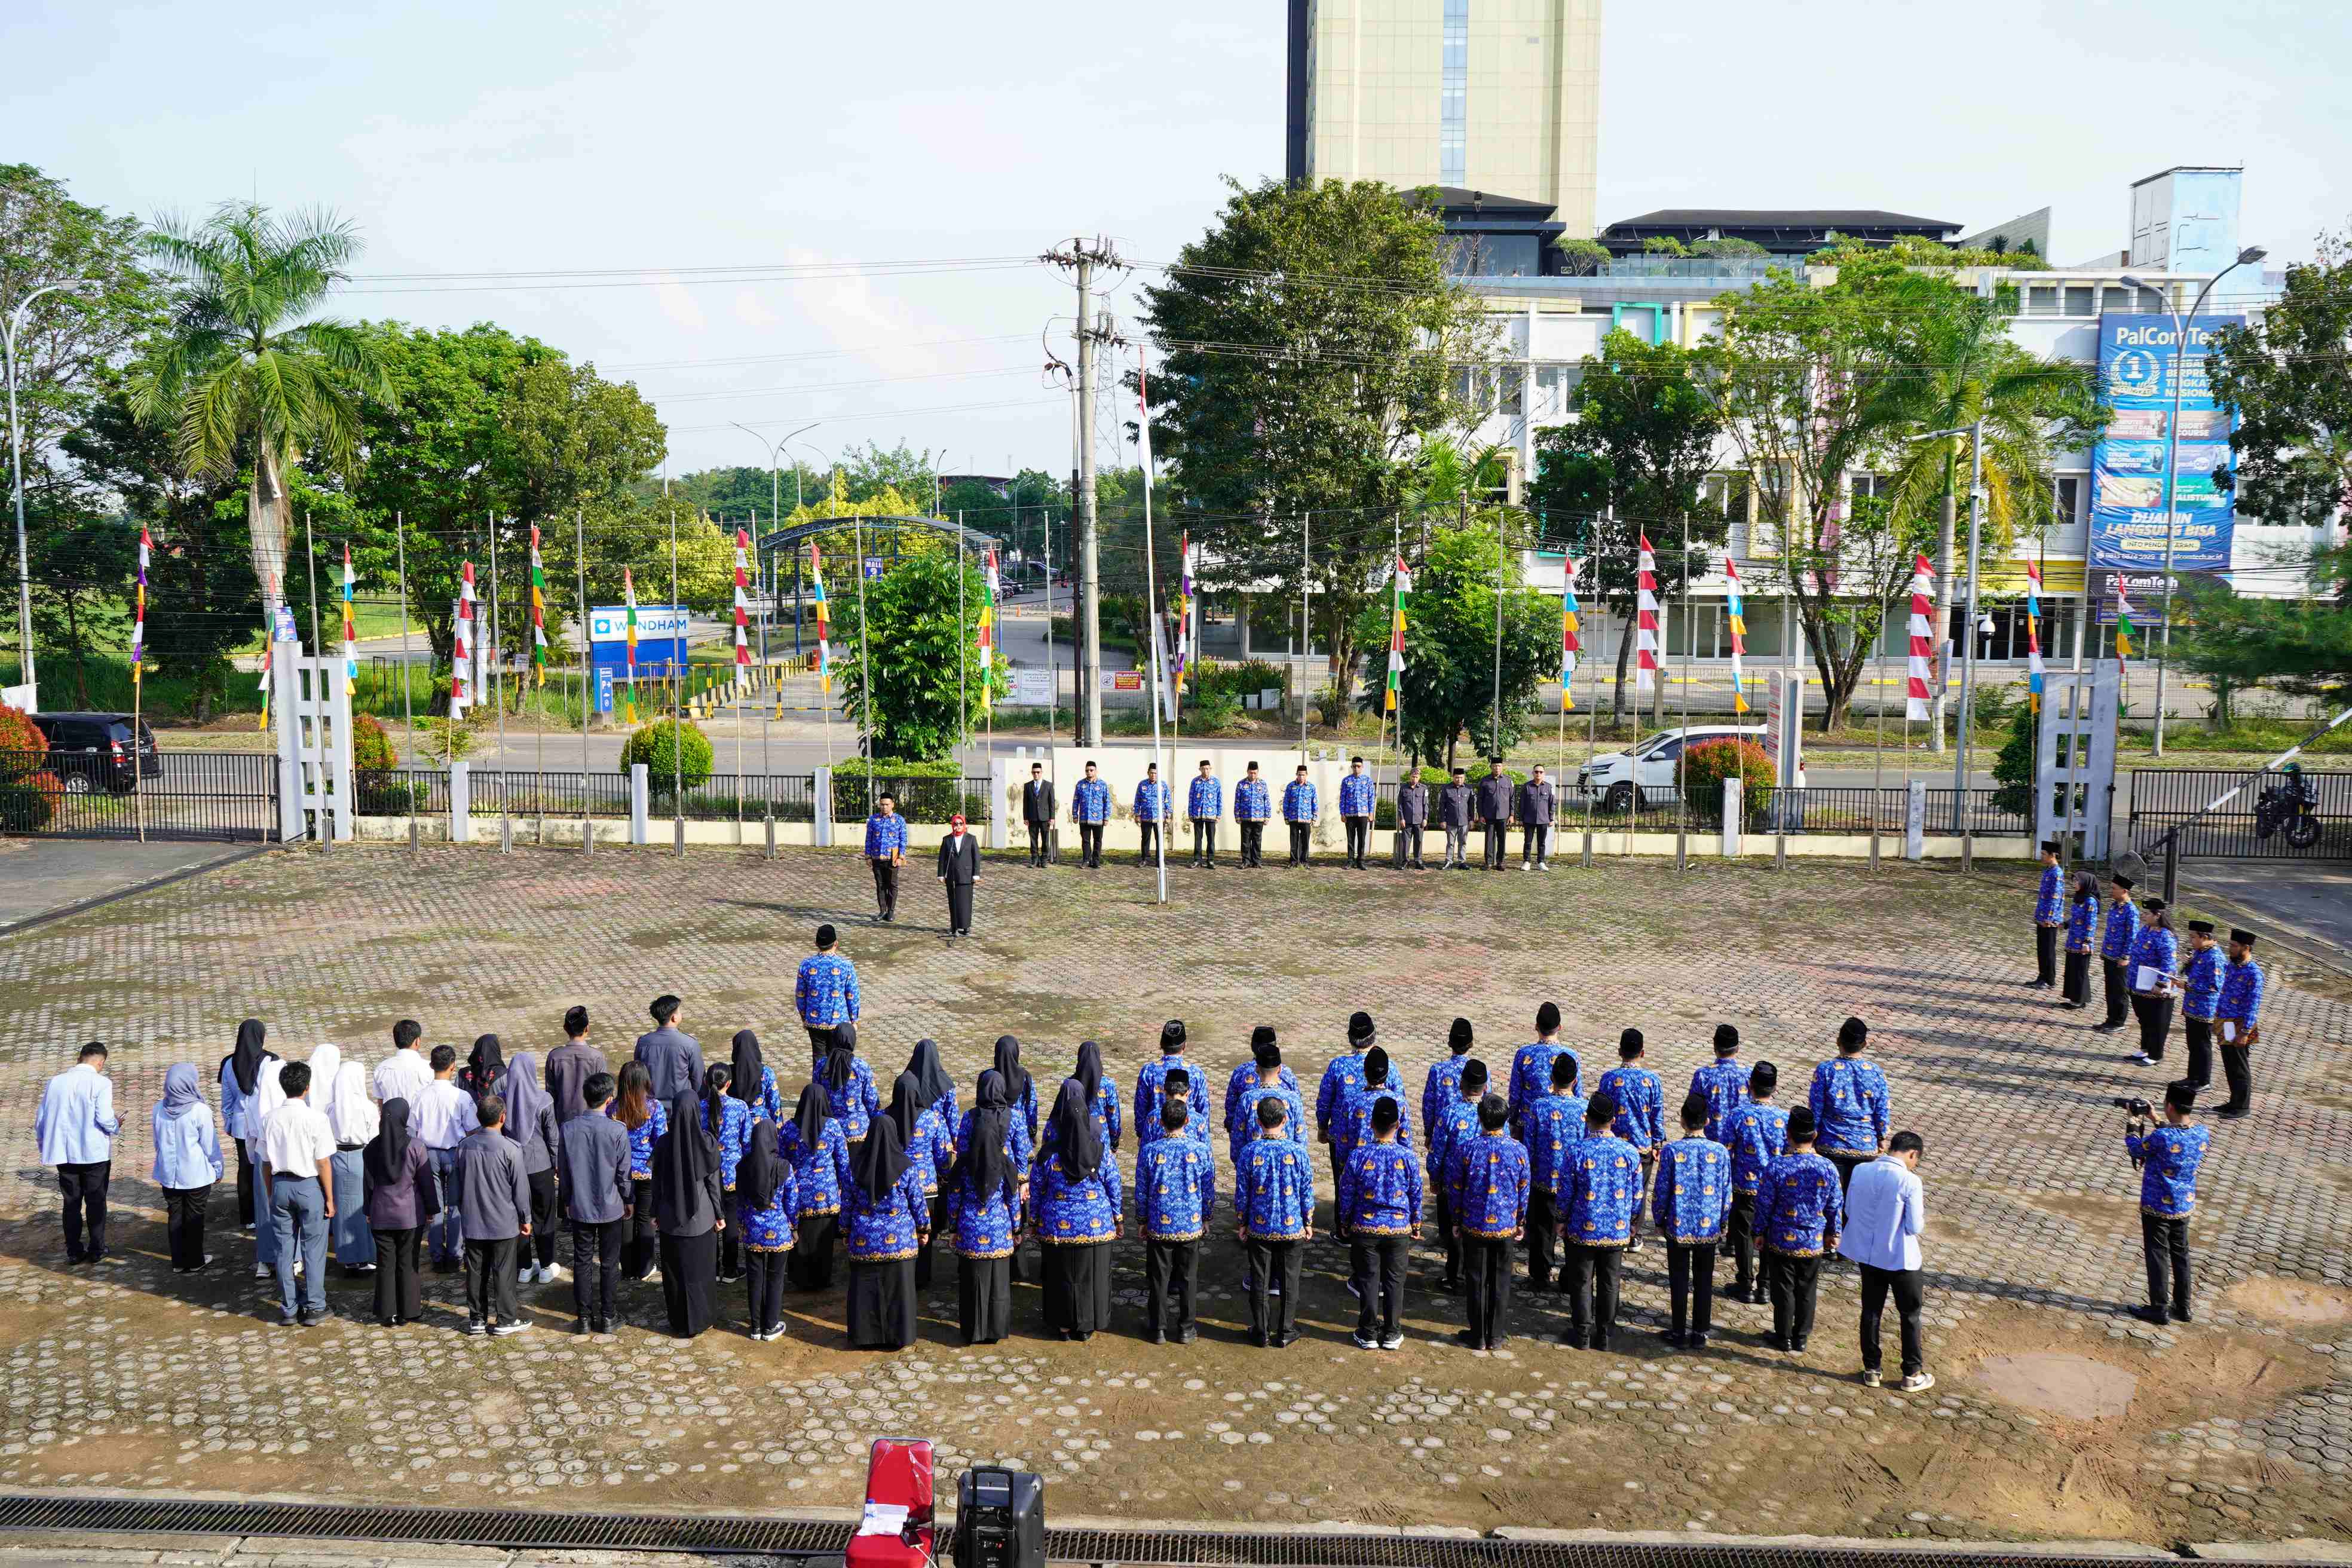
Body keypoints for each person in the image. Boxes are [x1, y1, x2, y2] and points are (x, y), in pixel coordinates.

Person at [1840, 1130, 1931, 1390]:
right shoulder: (1910, 1181)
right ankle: (1912, 1373)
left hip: (1869, 1255)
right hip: (1900, 1258)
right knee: (1910, 1314)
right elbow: (1914, 1226)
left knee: (1871, 1311)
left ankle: (1871, 1369)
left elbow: (1849, 1209)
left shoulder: (1861, 1171)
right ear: (1913, 1154)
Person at [1032, 1079, 1121, 1342]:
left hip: (1056, 1227)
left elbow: (1037, 1189)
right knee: (1092, 1276)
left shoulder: (1048, 1155)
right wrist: (1118, 1219)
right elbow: (1114, 1185)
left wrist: (1033, 1220)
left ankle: (1062, 1326)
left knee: (1060, 1275)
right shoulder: (1101, 1154)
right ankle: (1086, 1325)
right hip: (1096, 1227)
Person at [946, 1069, 1029, 1345]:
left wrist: (953, 1228)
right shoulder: (1014, 1119)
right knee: (998, 1283)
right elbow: (1013, 1197)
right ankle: (996, 1329)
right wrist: (1018, 1228)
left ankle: (972, 1330)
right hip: (999, 1231)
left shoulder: (970, 1119)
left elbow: (955, 1196)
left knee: (972, 1283)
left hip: (970, 1229)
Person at [1755, 1105, 1842, 1353]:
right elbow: (1835, 1205)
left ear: (1788, 1134)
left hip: (1782, 1238)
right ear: (1814, 1136)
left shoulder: (1777, 1166)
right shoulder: (1827, 1168)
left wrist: (1759, 1231)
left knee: (1783, 1289)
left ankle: (1783, 1336)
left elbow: (1764, 1203)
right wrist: (1833, 1234)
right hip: (1813, 1239)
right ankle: (1801, 1337)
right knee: (1807, 1289)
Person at [1339, 1095, 1422, 1350]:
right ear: (1398, 1125)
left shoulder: (1358, 1155)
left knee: (1368, 1280)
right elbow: (1415, 1193)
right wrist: (1416, 1223)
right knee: (1395, 1281)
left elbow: (1346, 1191)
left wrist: (1344, 1220)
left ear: (1371, 1124)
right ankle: (1392, 1332)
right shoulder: (1408, 1157)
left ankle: (1368, 1332)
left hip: (1365, 1227)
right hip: (1398, 1229)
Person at [1448, 1094, 1530, 1350]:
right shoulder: (1518, 1150)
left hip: (1474, 1225)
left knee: (1476, 1279)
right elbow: (1524, 1188)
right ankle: (1495, 1335)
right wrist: (1520, 1220)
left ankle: (1478, 1336)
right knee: (1501, 1280)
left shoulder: (1467, 1149)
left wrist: (1456, 1219)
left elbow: (1457, 1188)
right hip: (1505, 1226)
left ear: (1480, 1118)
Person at [1652, 1092, 1733, 1349]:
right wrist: (1722, 1221)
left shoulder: (1672, 1151)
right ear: (1707, 1121)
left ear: (1682, 1121)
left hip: (1678, 1225)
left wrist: (1659, 1218)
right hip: (1708, 1227)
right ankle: (1700, 1332)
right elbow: (1726, 1191)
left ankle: (1678, 1330)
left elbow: (1662, 1189)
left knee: (1678, 1279)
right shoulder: (1719, 1152)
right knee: (1704, 1280)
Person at [1233, 1094, 1313, 1348]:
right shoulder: (1299, 1152)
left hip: (1260, 1225)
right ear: (1285, 1119)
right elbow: (1306, 1191)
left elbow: (1242, 1192)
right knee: (1290, 1280)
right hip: (1292, 1227)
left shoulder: (1249, 1152)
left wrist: (1242, 1221)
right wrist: (1308, 1220)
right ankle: (1286, 1330)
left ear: (1258, 1121)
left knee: (1260, 1280)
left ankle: (1261, 1331)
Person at [843, 1114, 930, 1350]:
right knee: (898, 1292)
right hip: (899, 1242)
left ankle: (866, 1336)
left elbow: (847, 1205)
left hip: (864, 1241)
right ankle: (898, 1335)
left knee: (866, 1290)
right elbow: (918, 1204)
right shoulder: (907, 1168)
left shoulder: (855, 1167)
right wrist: (924, 1230)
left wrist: (845, 1232)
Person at [1558, 1092, 1638, 1350]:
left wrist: (1561, 1219)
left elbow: (1566, 1192)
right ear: (1613, 1120)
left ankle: (1582, 1333)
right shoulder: (1629, 1152)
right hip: (1616, 1230)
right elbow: (1637, 1193)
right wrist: (1633, 1221)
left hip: (1583, 1227)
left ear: (1588, 1118)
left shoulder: (1575, 1151)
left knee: (1581, 1281)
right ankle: (1605, 1335)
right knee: (1610, 1282)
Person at [261, 1059, 336, 1327]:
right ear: (307, 1087)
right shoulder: (317, 1118)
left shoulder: (269, 1118)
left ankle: (290, 1307)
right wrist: (329, 1197)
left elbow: (265, 1163)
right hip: (309, 1186)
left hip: (280, 1185)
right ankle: (316, 1306)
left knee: (283, 1250)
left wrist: (272, 1192)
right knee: (314, 1249)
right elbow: (323, 1162)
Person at [2128, 1080, 2209, 1326]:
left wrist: (2133, 1124)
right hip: (2183, 1205)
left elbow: (2137, 1149)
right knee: (2181, 1254)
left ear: (2169, 1105)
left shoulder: (2162, 1137)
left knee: (2157, 1254)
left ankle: (2159, 1308)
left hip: (2157, 1205)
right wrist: (2155, 1119)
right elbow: (2174, 1142)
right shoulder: (2202, 1133)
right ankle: (2183, 1307)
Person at [1135, 1097, 1215, 1344]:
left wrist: (1142, 1219)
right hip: (1190, 1224)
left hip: (1160, 1223)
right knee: (1189, 1277)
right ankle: (1186, 1328)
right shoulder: (1201, 1151)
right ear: (1187, 1121)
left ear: (1160, 1122)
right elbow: (1208, 1188)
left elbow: (1142, 1189)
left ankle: (1158, 1328)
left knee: (1159, 1277)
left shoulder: (1149, 1151)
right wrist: (1206, 1216)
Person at [557, 1072, 631, 1336]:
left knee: (583, 1261)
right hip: (611, 1206)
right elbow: (624, 1173)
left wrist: (565, 1201)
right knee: (610, 1263)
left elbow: (563, 1172)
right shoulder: (617, 1130)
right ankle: (608, 1316)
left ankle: (584, 1318)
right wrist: (628, 1199)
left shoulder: (568, 1128)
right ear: (609, 1099)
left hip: (580, 1206)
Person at [35, 1040, 119, 1265]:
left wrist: (45, 1146)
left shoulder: (55, 1082)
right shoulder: (102, 1083)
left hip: (64, 1153)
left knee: (71, 1202)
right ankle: (97, 1249)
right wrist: (115, 1126)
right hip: (94, 1154)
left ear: (80, 1058)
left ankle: (73, 1250)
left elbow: (41, 1119)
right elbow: (104, 1118)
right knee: (96, 1201)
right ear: (100, 1063)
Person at [455, 1093, 533, 1336]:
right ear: (503, 1117)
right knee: (504, 1271)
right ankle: (506, 1319)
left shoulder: (464, 1147)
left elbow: (457, 1186)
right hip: (503, 1222)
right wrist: (526, 1218)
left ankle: (477, 1319)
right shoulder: (511, 1149)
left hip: (473, 1220)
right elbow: (520, 1189)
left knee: (475, 1271)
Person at [650, 1089, 724, 1339]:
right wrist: (719, 1213)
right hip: (701, 1218)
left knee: (674, 1273)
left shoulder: (663, 1144)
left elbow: (657, 1182)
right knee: (701, 1273)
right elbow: (714, 1185)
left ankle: (678, 1320)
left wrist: (654, 1212)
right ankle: (702, 1319)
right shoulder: (708, 1143)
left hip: (671, 1219)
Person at [362, 1096, 438, 1327]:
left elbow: (367, 1183)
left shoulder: (371, 1148)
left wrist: (367, 1210)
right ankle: (409, 1310)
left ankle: (388, 1313)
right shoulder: (415, 1146)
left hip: (380, 1215)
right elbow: (426, 1182)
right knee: (408, 1261)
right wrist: (432, 1209)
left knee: (386, 1263)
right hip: (409, 1216)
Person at [1720, 1062, 1788, 1304]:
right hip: (1776, 1187)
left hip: (1745, 1185)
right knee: (1769, 1232)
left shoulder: (1738, 1114)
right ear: (1775, 1087)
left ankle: (1746, 1283)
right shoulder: (1784, 1118)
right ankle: (1766, 1286)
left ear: (1749, 1086)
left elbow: (1725, 1150)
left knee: (1744, 1234)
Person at [1521, 1053, 1585, 1292]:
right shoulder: (1584, 1109)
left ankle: (1540, 1276)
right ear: (1575, 1080)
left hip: (1544, 1180)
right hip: (1575, 1182)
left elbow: (1529, 1145)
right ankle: (1571, 1277)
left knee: (1542, 1231)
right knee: (1572, 1231)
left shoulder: (1539, 1106)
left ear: (1551, 1078)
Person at [1596, 1030, 1665, 1252]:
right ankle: (1634, 1235)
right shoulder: (1652, 1081)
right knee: (1639, 1192)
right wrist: (1657, 1144)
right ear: (1642, 1053)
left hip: (1613, 1145)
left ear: (1619, 1052)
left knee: (1615, 1187)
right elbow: (1657, 1114)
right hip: (1642, 1146)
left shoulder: (1609, 1079)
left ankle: (1613, 1227)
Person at [152, 1063, 223, 1274]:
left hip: (168, 1175)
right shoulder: (199, 1110)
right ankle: (195, 1260)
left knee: (175, 1215)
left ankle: (178, 1261)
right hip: (196, 1175)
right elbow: (210, 1144)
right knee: (194, 1217)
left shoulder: (159, 1109)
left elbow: (157, 1142)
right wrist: (217, 1167)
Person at [886, 1070, 954, 1290]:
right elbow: (942, 1154)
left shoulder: (883, 1117)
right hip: (927, 1187)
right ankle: (921, 1277)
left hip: (894, 1183)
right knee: (924, 1232)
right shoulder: (932, 1119)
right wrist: (944, 1176)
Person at [414, 1045, 479, 1274]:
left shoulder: (420, 1096)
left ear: (432, 1066)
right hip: (455, 1152)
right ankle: (455, 1254)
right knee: (455, 1205)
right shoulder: (461, 1096)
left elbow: (412, 1130)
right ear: (453, 1066)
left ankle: (437, 1255)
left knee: (434, 1206)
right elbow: (473, 1128)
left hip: (428, 1155)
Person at [1425, 1056, 1488, 1291]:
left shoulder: (1449, 1113)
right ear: (1485, 1086)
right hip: (1484, 1184)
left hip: (1453, 1185)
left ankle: (1456, 1277)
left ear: (1461, 1084)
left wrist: (1435, 1177)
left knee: (1454, 1233)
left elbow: (1437, 1151)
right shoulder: (1494, 1113)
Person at [781, 1082, 851, 1290]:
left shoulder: (789, 1129)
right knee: (823, 1239)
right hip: (827, 1194)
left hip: (799, 1194)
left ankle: (800, 1278)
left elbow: (783, 1163)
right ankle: (822, 1278)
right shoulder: (833, 1127)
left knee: (801, 1236)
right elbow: (843, 1162)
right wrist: (843, 1188)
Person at [1809, 1017, 1889, 1193]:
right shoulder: (1876, 1072)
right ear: (1865, 1044)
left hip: (1831, 1144)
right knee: (1857, 1204)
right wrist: (1882, 1137)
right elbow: (1882, 1109)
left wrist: (1811, 1137)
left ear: (1838, 1041)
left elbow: (1815, 1109)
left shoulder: (1825, 1070)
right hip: (1865, 1147)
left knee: (1831, 1201)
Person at [502, 1049, 561, 1284]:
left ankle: (525, 1267)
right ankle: (546, 1265)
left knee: (520, 1217)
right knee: (544, 1216)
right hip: (541, 1167)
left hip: (514, 1168)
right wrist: (557, 1164)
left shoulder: (503, 1100)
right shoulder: (544, 1100)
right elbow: (553, 1138)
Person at [218, 1019, 276, 1247]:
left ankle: (248, 1216)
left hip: (241, 1125)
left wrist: (228, 1122)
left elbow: (227, 1098)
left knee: (245, 1167)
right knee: (266, 1167)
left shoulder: (228, 1063)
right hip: (263, 1124)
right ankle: (266, 1211)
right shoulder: (270, 1061)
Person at [736, 1119, 795, 1340]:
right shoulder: (784, 1167)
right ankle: (771, 1325)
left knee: (754, 1277)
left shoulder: (743, 1166)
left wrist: (742, 1225)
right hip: (779, 1230)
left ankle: (756, 1327)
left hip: (753, 1229)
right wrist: (794, 1226)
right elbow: (792, 1200)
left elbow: (740, 1202)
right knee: (775, 1277)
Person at [608, 1061, 666, 1283]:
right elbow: (660, 1141)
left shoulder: (613, 1109)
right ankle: (646, 1267)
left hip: (621, 1173)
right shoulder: (654, 1107)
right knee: (645, 1219)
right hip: (647, 1173)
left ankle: (628, 1267)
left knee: (626, 1218)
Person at [324, 1059, 381, 1275]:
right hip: (361, 1158)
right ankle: (367, 1254)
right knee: (364, 1207)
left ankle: (348, 1257)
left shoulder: (330, 1109)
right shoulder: (367, 1107)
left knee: (342, 1208)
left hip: (337, 1158)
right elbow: (374, 1137)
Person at [701, 1062, 752, 1284]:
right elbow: (748, 1142)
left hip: (706, 1173)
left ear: (705, 1082)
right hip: (733, 1173)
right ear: (729, 1084)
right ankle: (730, 1269)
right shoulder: (740, 1107)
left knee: (710, 1221)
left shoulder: (699, 1107)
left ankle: (710, 1267)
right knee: (731, 1221)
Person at [1334, 1046, 1413, 1187]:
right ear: (1387, 1073)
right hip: (1392, 1171)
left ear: (1365, 1073)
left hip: (1358, 1172)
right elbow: (1405, 1140)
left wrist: (1342, 1169)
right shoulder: (1399, 1102)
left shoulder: (1351, 1101)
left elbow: (1342, 1141)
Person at [1315, 1012, 1376, 1184]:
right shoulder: (1388, 1067)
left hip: (1342, 1138)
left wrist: (1322, 1127)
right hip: (1377, 1139)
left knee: (1342, 1188)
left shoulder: (1338, 1066)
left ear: (1350, 1038)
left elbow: (1324, 1099)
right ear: (1374, 1036)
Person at [1230, 1037, 1308, 1171]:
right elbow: (1300, 1137)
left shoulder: (1246, 1099)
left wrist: (1240, 1164)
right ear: (1279, 1070)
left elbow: (1238, 1138)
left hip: (1254, 1165)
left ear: (1257, 1069)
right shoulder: (1293, 1099)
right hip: (1288, 1166)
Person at [2213, 928, 2265, 1120]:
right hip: (2225, 1022)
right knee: (2229, 1064)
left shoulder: (2255, 974)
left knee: (2240, 1066)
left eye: (2234, 947)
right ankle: (2233, 1101)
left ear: (2247, 948)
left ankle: (2242, 1106)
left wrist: (2245, 1032)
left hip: (2240, 1025)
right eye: (2230, 945)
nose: (2231, 949)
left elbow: (2253, 1006)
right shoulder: (2232, 966)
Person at [1506, 1003, 1578, 1142]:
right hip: (1565, 1123)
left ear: (1536, 1027)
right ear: (1560, 1027)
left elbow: (1515, 1093)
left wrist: (1513, 1120)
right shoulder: (1571, 1056)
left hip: (1528, 1123)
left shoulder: (1524, 1054)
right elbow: (1577, 1091)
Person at [2128, 897, 2180, 1068]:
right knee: (2144, 1019)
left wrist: (2162, 983)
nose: (2143, 916)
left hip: (2156, 987)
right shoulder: (2146, 930)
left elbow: (2168, 963)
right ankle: (2145, 1048)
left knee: (2156, 1021)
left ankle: (2156, 1054)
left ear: (2157, 915)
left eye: (2146, 913)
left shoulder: (2166, 936)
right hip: (2139, 983)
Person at [1134, 1020, 1209, 1138]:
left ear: (1161, 1044)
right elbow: (1203, 1109)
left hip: (1155, 1131)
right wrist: (1203, 1135)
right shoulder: (1196, 1073)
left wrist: (1141, 1134)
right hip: (1189, 1135)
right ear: (1184, 1046)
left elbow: (1141, 1107)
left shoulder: (1148, 1071)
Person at [2093, 875, 2143, 1033]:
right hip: (2109, 954)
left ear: (2125, 891)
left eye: (2114, 888)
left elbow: (2132, 936)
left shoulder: (2131, 911)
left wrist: (2126, 956)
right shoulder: (2114, 906)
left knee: (2120, 990)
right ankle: (2110, 1018)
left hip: (2121, 958)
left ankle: (2119, 1021)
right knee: (2110, 989)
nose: (2111, 891)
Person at [795, 932, 859, 1057]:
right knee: (837, 1059)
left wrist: (804, 1017)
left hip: (814, 1021)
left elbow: (800, 995)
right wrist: (854, 1020)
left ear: (816, 944)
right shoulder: (846, 966)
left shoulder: (806, 965)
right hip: (840, 1023)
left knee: (819, 1060)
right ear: (836, 943)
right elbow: (852, 994)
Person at [1422, 1018, 1475, 1165]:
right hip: (1473, 1135)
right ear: (1471, 1043)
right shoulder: (1481, 1072)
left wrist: (1429, 1132)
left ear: (1450, 1042)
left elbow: (1429, 1104)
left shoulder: (1438, 1070)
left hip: (1444, 1133)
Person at [2178, 920, 2224, 1091]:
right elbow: (2195, 974)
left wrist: (2187, 986)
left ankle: (2203, 1080)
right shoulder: (2200, 952)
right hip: (2192, 1006)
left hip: (2205, 1009)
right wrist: (2187, 964)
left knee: (2202, 1045)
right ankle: (2192, 1077)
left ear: (2205, 937)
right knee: (2193, 1044)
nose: (2191, 940)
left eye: (2193, 937)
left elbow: (2215, 986)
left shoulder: (2215, 957)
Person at [635, 994, 705, 1102]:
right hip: (681, 1105)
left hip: (650, 1106)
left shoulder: (643, 1042)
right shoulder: (690, 1044)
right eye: (679, 1011)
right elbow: (698, 1079)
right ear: (674, 1018)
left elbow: (637, 1074)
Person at [545, 1007, 608, 1125]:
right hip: (591, 1122)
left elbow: (550, 1093)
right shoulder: (597, 1057)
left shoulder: (554, 1056)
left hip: (562, 1120)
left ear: (565, 1028)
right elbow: (603, 1093)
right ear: (587, 1028)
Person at [822, 1023, 882, 1146]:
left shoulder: (822, 1065)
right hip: (858, 1130)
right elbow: (871, 1100)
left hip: (830, 1130)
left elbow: (818, 1095)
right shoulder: (861, 1066)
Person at [1059, 1040, 1123, 1154]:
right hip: (1101, 1139)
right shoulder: (1108, 1084)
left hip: (1074, 1139)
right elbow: (1113, 1115)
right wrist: (1115, 1140)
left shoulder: (1070, 1084)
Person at [1689, 1025, 1746, 1143]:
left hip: (1711, 1146)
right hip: (1741, 1143)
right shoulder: (1749, 1075)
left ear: (1714, 1047)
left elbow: (1693, 1108)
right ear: (1738, 1049)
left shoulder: (1703, 1075)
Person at [864, 791, 908, 921]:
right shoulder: (873, 820)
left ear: (893, 805)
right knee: (881, 885)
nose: (884, 807)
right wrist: (868, 857)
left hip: (893, 859)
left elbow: (903, 839)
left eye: (887, 805)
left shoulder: (899, 820)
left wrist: (901, 857)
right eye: (882, 805)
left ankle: (891, 911)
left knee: (892, 885)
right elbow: (869, 839)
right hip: (877, 858)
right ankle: (882, 910)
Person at [994, 1034, 1041, 1151]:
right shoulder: (1026, 1078)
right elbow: (1031, 1109)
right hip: (1020, 1133)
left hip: (995, 1130)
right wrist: (1033, 1133)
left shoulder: (990, 1078)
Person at [729, 1028, 783, 1130]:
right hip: (762, 1127)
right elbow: (775, 1103)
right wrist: (778, 1129)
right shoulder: (766, 1073)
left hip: (736, 1125)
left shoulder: (728, 1073)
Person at [373, 1019, 432, 1110]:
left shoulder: (381, 1068)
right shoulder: (429, 1069)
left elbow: (381, 1102)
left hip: (392, 1122)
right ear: (418, 1041)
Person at [2061, 872, 2100, 1010]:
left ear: (2085, 883)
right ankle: (2073, 998)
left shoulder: (2091, 901)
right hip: (2072, 940)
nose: (2074, 884)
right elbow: (2077, 918)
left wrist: (2087, 942)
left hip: (2082, 943)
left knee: (2080, 972)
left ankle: (2080, 1000)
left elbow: (2091, 923)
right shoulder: (2078, 898)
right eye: (2074, 881)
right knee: (2072, 970)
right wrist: (2067, 923)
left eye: (2077, 881)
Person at [938, 814, 981, 937]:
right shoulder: (947, 840)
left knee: (966, 902)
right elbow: (942, 859)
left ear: (964, 825)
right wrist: (941, 874)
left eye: (961, 824)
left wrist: (976, 874)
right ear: (953, 825)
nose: (958, 826)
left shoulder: (971, 838)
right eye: (956, 824)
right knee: (953, 901)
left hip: (966, 875)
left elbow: (976, 857)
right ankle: (954, 926)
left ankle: (966, 927)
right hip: (952, 875)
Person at [2031, 840, 2065, 990]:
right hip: (2042, 916)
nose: (2042, 856)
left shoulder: (2057, 873)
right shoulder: (2048, 870)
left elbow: (2055, 898)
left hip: (2050, 920)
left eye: (2044, 854)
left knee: (2048, 949)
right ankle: (2042, 975)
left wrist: (2049, 919)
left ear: (2053, 855)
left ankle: (2049, 978)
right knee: (2041, 948)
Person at [1071, 760, 1111, 869]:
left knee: (1098, 840)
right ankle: (1086, 860)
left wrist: (1106, 817)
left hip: (1098, 819)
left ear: (1096, 771)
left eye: (1091, 770)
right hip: (1084, 818)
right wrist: (1075, 815)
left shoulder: (1102, 785)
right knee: (1086, 841)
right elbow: (1076, 800)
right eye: (1087, 770)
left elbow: (1107, 801)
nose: (1089, 772)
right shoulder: (1080, 784)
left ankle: (1096, 861)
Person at [1475, 757, 1513, 870]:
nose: (1497, 768)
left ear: (1502, 767)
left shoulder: (1508, 780)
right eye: (1495, 766)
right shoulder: (1485, 781)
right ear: (1491, 767)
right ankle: (1489, 862)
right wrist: (1481, 815)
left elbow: (1512, 799)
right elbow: (1480, 799)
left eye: (1499, 766)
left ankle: (1500, 862)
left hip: (1503, 816)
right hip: (1489, 816)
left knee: (1502, 840)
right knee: (1489, 840)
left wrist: (1512, 815)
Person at [1339, 755, 1376, 868]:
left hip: (1363, 814)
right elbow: (1342, 798)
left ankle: (1361, 860)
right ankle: (1350, 860)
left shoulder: (1368, 780)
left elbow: (1371, 797)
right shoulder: (1346, 781)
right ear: (1352, 767)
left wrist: (1371, 812)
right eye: (1354, 766)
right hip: (1350, 814)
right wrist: (1342, 813)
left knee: (1362, 839)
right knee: (1350, 839)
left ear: (1362, 767)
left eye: (1358, 766)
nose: (1356, 768)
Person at [1516, 763, 1555, 870]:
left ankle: (1541, 862)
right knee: (1528, 842)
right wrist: (1520, 818)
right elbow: (1522, 804)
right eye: (1536, 772)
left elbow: (1552, 803)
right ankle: (1527, 862)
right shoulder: (1527, 786)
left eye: (1541, 772)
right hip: (1529, 819)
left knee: (1542, 842)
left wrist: (1551, 818)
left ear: (1544, 774)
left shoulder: (1548, 787)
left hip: (1543, 819)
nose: (1538, 774)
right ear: (1533, 773)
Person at [1233, 761, 1271, 868]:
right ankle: (1246, 861)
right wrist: (1237, 815)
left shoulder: (1263, 784)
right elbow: (1237, 801)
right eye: (1251, 773)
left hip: (1259, 818)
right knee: (1245, 841)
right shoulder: (1241, 784)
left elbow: (1266, 800)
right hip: (1245, 817)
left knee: (1257, 840)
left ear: (1258, 772)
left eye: (1255, 773)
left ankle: (1257, 861)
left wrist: (1267, 816)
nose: (1253, 775)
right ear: (1247, 772)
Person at [1186, 760, 1223, 868]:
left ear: (1210, 769)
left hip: (1211, 815)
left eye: (1207, 768)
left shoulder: (1216, 782)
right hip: (1198, 814)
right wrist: (1191, 813)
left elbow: (1219, 799)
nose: (1205, 771)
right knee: (1198, 838)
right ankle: (1197, 860)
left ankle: (1210, 860)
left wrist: (1219, 814)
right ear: (1200, 769)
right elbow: (1191, 798)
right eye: (1203, 769)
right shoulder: (1195, 782)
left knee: (1211, 838)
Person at [1437, 765, 1474, 870]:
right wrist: (1442, 820)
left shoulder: (1468, 789)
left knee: (1463, 843)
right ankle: (1449, 861)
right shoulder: (1446, 789)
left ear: (1464, 778)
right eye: (1457, 778)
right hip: (1450, 821)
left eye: (1461, 778)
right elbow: (1442, 805)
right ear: (1453, 777)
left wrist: (1471, 820)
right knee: (1450, 843)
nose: (1459, 780)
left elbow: (1471, 805)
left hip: (1464, 821)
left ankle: (1462, 862)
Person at [1134, 763, 1171, 866]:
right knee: (1145, 838)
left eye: (1155, 773)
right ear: (1148, 773)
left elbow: (1167, 800)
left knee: (1159, 839)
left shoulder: (1163, 785)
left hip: (1159, 818)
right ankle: (1144, 859)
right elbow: (1137, 800)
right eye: (1152, 773)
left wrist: (1169, 815)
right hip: (1146, 817)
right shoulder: (1142, 785)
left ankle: (1160, 860)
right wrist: (1137, 814)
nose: (1153, 775)